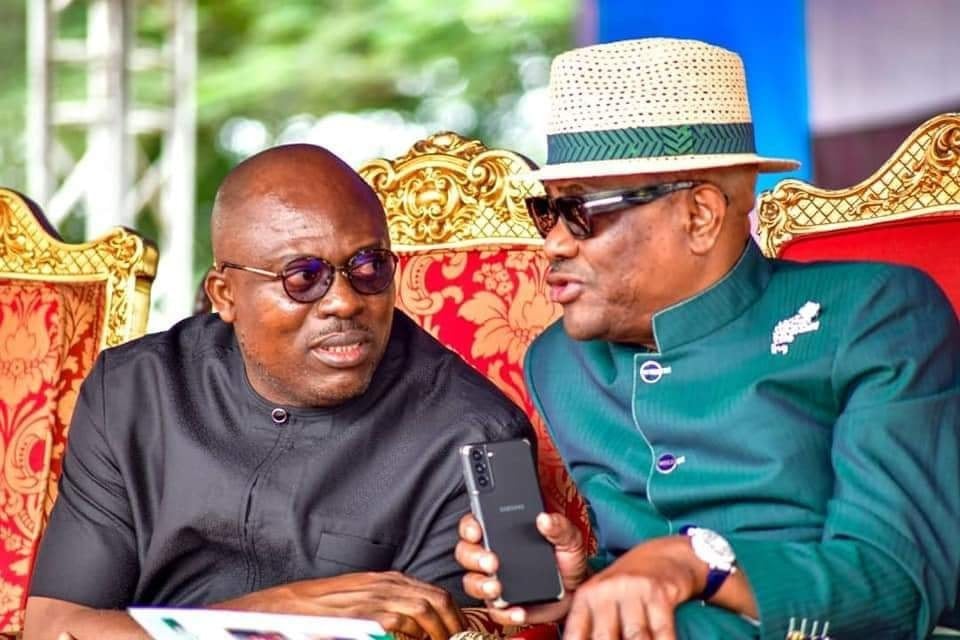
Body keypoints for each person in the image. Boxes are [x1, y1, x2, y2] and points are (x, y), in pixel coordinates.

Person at [456, 37, 960, 640]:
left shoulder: (873, 313)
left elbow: (896, 588)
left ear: (699, 215)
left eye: (583, 212)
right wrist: (578, 587)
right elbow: (640, 573)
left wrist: (698, 560)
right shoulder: (562, 362)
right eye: (548, 212)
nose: (554, 243)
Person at [24, 144, 533, 640]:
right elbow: (54, 628)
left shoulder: (478, 437)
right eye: (303, 277)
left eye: (368, 267)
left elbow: (463, 628)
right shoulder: (134, 391)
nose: (344, 302)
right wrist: (268, 614)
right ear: (225, 294)